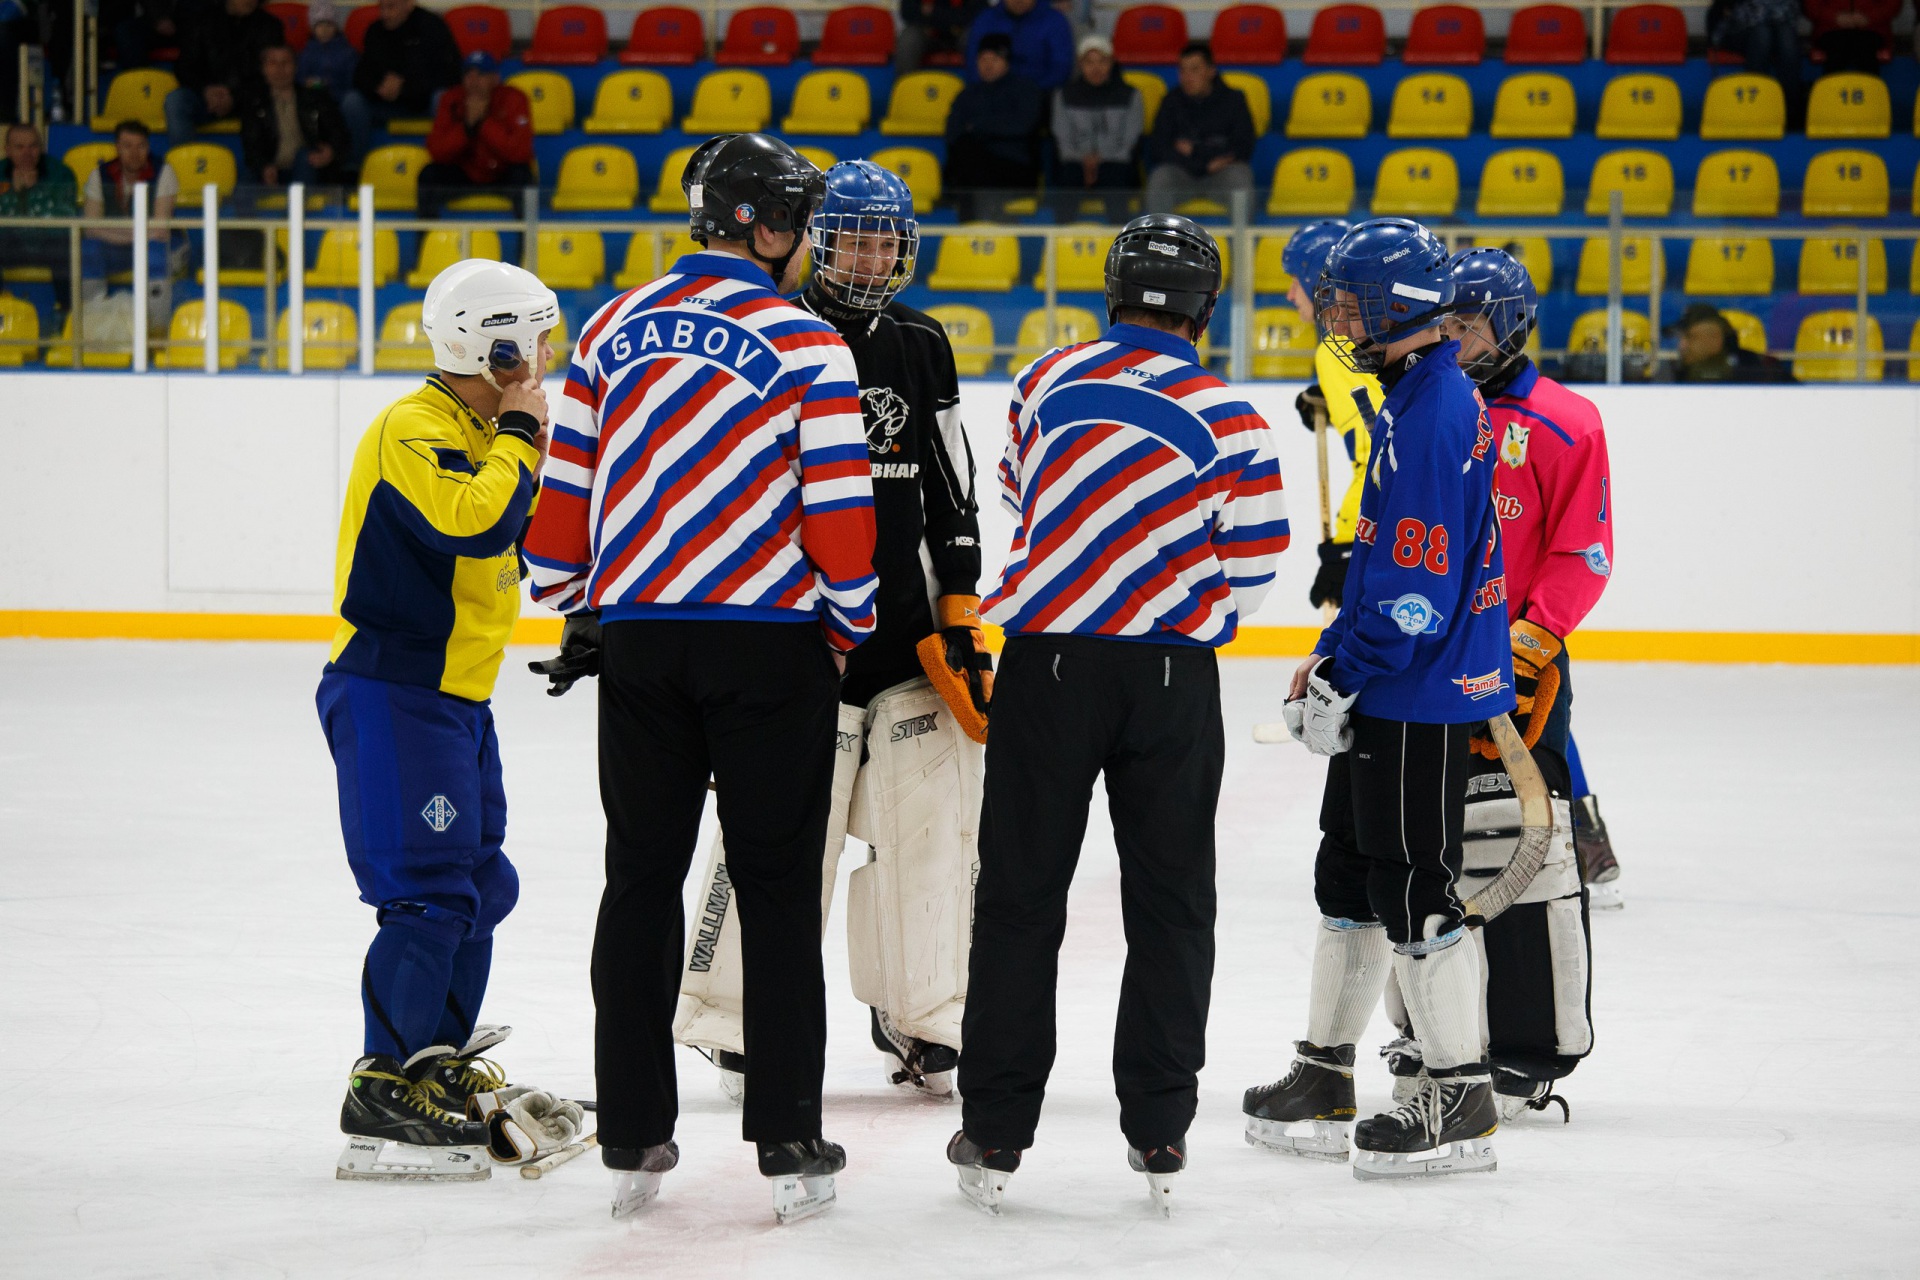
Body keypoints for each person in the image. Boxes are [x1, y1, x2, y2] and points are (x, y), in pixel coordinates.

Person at [521, 133, 874, 1225]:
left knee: (639, 879)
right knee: (773, 887)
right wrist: (848, 618)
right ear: (762, 227)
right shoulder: (808, 341)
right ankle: (789, 1137)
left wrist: (577, 591)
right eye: (799, 220)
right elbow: (841, 511)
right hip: (768, 643)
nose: (808, 238)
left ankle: (631, 1128)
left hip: (641, 643)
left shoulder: (614, 326)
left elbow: (560, 506)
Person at [947, 213, 1288, 1215]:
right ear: (1206, 308)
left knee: (1018, 896)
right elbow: (1258, 561)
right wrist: (1179, 597)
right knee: (1173, 898)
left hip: (1048, 661)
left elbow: (1016, 491)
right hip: (1172, 675)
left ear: (1113, 291)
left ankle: (997, 1125)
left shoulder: (1046, 381)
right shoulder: (1229, 412)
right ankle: (1160, 1123)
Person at [670, 158, 988, 1105]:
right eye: (851, 235)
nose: (869, 254)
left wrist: (961, 608)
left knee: (931, 839)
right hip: (795, 646)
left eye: (885, 238)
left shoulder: (923, 343)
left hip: (902, 653)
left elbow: (952, 487)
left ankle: (924, 1015)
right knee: (770, 842)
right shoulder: (776, 336)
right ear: (814, 238)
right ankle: (732, 1018)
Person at [1240, 218, 1512, 1181]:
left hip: (1415, 692)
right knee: (1350, 880)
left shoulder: (1434, 411)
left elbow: (1414, 594)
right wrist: (1328, 655)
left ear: (1398, 306)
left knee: (1414, 889)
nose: (1336, 315)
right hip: (1388, 682)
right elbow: (1381, 568)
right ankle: (1323, 1072)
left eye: (1350, 302)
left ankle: (1459, 1094)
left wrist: (1346, 670)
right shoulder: (1413, 394)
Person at [319, 258, 586, 1183]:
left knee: (478, 883)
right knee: (430, 890)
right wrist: (520, 432)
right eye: (535, 337)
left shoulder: (478, 427)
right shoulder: (418, 426)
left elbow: (525, 535)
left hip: (455, 701)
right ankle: (383, 1085)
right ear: (493, 343)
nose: (546, 353)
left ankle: (436, 1066)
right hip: (397, 693)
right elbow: (471, 522)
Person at [1368, 246, 1609, 1120]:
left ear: (1508, 324)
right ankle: (1431, 1032)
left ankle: (1528, 1042)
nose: (1454, 338)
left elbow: (1585, 551)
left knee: (1523, 855)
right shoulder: (1425, 405)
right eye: (1446, 322)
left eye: (1469, 323)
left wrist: (1531, 647)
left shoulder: (1566, 422)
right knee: (1427, 852)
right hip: (1431, 667)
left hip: (1515, 668)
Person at [1283, 218, 1379, 616]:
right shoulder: (1373, 335)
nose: (1290, 294)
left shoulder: (1338, 348)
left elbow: (1377, 455)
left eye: (1296, 280)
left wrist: (1345, 544)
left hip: (1381, 533)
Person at [80, 120, 178, 327]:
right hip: (120, 246)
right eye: (127, 146)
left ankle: (157, 329)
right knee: (88, 250)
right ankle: (91, 322)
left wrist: (116, 232)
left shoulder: (164, 172)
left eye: (140, 146)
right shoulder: (100, 175)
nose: (134, 153)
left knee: (156, 253)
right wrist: (136, 234)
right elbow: (90, 229)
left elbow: (160, 231)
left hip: (154, 246)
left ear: (148, 147)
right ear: (117, 147)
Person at [342, 0, 462, 162]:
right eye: (382, 7)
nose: (385, 14)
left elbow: (451, 75)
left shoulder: (433, 27)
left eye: (391, 7)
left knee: (441, 99)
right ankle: (355, 170)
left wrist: (405, 87)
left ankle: (445, 166)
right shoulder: (375, 30)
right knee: (352, 102)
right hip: (385, 104)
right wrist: (378, 86)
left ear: (408, 4)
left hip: (422, 103)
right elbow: (361, 74)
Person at [942, 32, 1045, 219]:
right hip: (975, 169)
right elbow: (953, 132)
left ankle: (979, 233)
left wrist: (977, 127)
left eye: (994, 59)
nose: (988, 65)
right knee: (967, 159)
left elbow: (1023, 126)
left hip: (1014, 168)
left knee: (969, 164)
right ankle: (973, 234)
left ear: (1006, 61)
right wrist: (992, 130)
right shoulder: (967, 95)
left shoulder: (1025, 90)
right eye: (983, 59)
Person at [1144, 43, 1255, 215]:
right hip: (1183, 172)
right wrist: (1203, 164)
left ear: (1211, 71)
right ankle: (1158, 240)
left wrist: (1195, 150)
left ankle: (1242, 241)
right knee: (1160, 178)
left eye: (1194, 70)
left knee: (1240, 177)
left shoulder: (1234, 100)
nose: (1187, 77)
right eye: (1183, 71)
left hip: (1220, 174)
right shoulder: (1171, 101)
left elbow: (1243, 146)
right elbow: (1159, 148)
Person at [420, 50, 533, 217]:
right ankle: (426, 241)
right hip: (464, 172)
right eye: (468, 75)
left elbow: (521, 152)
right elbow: (437, 150)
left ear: (495, 78)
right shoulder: (451, 99)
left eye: (481, 74)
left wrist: (484, 123)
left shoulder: (514, 98)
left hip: (501, 172)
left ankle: (527, 243)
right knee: (429, 175)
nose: (473, 81)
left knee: (523, 176)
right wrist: (466, 127)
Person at [163, 0, 285, 144]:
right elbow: (184, 67)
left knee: (276, 99)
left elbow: (270, 76)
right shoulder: (203, 20)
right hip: (207, 98)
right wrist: (206, 90)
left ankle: (262, 163)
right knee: (176, 100)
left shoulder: (270, 26)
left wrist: (235, 96)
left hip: (249, 99)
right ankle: (186, 164)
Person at [1049, 33, 1143, 218]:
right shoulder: (1064, 95)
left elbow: (1129, 142)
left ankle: (1120, 245)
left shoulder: (1130, 95)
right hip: (1075, 161)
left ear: (1111, 63)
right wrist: (1084, 161)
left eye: (1102, 61)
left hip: (1116, 162)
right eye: (1089, 62)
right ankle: (1062, 243)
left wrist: (1099, 160)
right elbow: (1063, 141)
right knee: (1067, 179)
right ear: (1080, 64)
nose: (1096, 68)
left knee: (1115, 179)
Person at [242, 43, 352, 188]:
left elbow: (339, 133)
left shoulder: (316, 98)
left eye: (285, 62)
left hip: (309, 167)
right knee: (244, 180)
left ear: (295, 67)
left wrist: (330, 152)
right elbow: (251, 145)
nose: (279, 69)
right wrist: (263, 167)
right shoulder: (254, 103)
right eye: (273, 63)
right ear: (264, 69)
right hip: (272, 170)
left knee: (304, 157)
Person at [0, 122, 78, 313]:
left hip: (48, 244)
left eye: (33, 146)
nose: (27, 153)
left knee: (67, 246)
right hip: (12, 245)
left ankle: (68, 315)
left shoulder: (61, 174)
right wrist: (15, 196)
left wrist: (33, 192)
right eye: (19, 147)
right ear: (7, 150)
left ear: (41, 148)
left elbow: (63, 222)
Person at [1707, 0, 1805, 128]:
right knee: (1762, 35)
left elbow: (1794, 11)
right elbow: (1727, 12)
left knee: (1786, 38)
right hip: (1737, 28)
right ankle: (1756, 107)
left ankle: (1790, 115)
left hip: (1779, 30)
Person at [1667, 302, 1792, 383]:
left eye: (1689, 337)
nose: (1681, 345)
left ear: (1714, 338)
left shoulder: (1759, 368)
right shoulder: (1673, 373)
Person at [965, 0, 1074, 90]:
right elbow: (972, 62)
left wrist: (1030, 90)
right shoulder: (986, 19)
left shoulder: (1055, 21)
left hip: (1039, 95)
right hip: (988, 95)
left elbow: (1061, 67)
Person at [1804, 0, 1899, 73]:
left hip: (1872, 30)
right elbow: (1810, 7)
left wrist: (1869, 18)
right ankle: (1833, 94)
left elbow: (1892, 6)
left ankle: (1870, 95)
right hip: (1830, 30)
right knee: (1837, 47)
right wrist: (1834, 18)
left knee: (1865, 48)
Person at [896, 0, 986, 72]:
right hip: (928, 34)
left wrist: (933, 11)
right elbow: (907, 10)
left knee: (975, 36)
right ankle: (907, 89)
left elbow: (978, 13)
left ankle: (979, 90)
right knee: (909, 38)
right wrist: (951, 16)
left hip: (960, 34)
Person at [298, 0, 358, 104]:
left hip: (340, 98)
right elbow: (299, 77)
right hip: (312, 99)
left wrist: (330, 84)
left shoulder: (348, 53)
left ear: (336, 27)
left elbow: (352, 81)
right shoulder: (307, 53)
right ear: (313, 28)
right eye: (320, 25)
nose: (324, 29)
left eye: (329, 24)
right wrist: (307, 82)